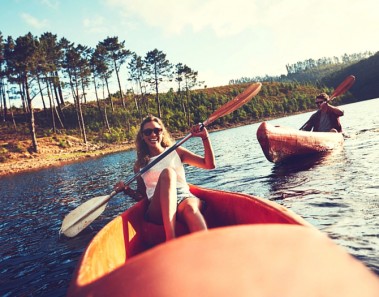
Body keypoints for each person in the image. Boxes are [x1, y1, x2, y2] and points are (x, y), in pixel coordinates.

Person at [114, 115, 216, 241]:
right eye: (148, 132)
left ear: (162, 132)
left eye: (157, 130)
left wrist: (204, 137)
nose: (153, 135)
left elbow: (209, 165)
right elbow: (142, 197)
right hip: (157, 206)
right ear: (143, 136)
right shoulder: (140, 165)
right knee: (168, 173)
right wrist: (127, 190)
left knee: (191, 208)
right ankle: (171, 239)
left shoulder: (176, 151)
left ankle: (209, 250)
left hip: (184, 197)